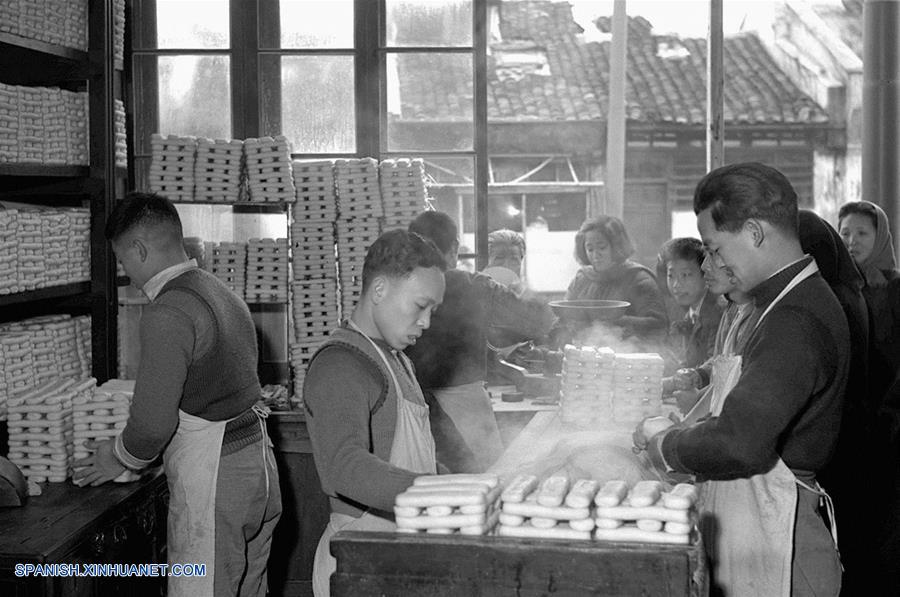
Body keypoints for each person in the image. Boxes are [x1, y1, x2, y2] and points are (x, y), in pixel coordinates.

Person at [634, 163, 849, 597]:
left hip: (783, 541)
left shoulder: (795, 318)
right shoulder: (781, 303)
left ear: (753, 232)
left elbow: (740, 441)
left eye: (714, 248)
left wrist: (665, 446)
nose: (714, 262)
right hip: (762, 522)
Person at [72, 192, 281, 597]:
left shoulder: (168, 311)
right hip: (258, 469)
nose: (126, 272)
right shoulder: (219, 291)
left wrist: (116, 456)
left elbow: (152, 425)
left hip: (216, 482)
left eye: (123, 260)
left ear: (139, 249)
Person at [303, 229, 446, 597]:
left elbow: (415, 462)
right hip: (357, 561)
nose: (427, 322)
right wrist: (436, 492)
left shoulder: (396, 359)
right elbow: (343, 467)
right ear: (379, 290)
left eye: (433, 310)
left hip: (398, 550)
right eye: (420, 306)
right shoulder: (341, 364)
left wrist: (463, 485)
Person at [406, 212, 554, 473]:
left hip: (409, 402)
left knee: (424, 489)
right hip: (466, 407)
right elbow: (538, 321)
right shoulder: (474, 286)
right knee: (484, 483)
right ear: (454, 248)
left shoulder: (398, 286)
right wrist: (514, 289)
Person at [798, 209, 873, 597]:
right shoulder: (847, 289)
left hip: (840, 432)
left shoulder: (830, 299)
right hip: (850, 427)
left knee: (840, 537)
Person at [561, 215, 667, 347]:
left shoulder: (638, 279)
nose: (595, 255)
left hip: (629, 356)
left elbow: (658, 325)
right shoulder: (581, 279)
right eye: (590, 249)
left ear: (617, 246)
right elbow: (563, 316)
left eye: (602, 247)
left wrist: (620, 322)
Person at [837, 201, 900, 408]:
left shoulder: (894, 287)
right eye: (845, 233)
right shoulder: (834, 286)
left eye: (862, 233)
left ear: (880, 237)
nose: (852, 241)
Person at [656, 237, 724, 373]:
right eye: (671, 276)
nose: (676, 284)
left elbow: (716, 367)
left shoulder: (717, 311)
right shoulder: (687, 309)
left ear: (705, 274)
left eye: (686, 275)